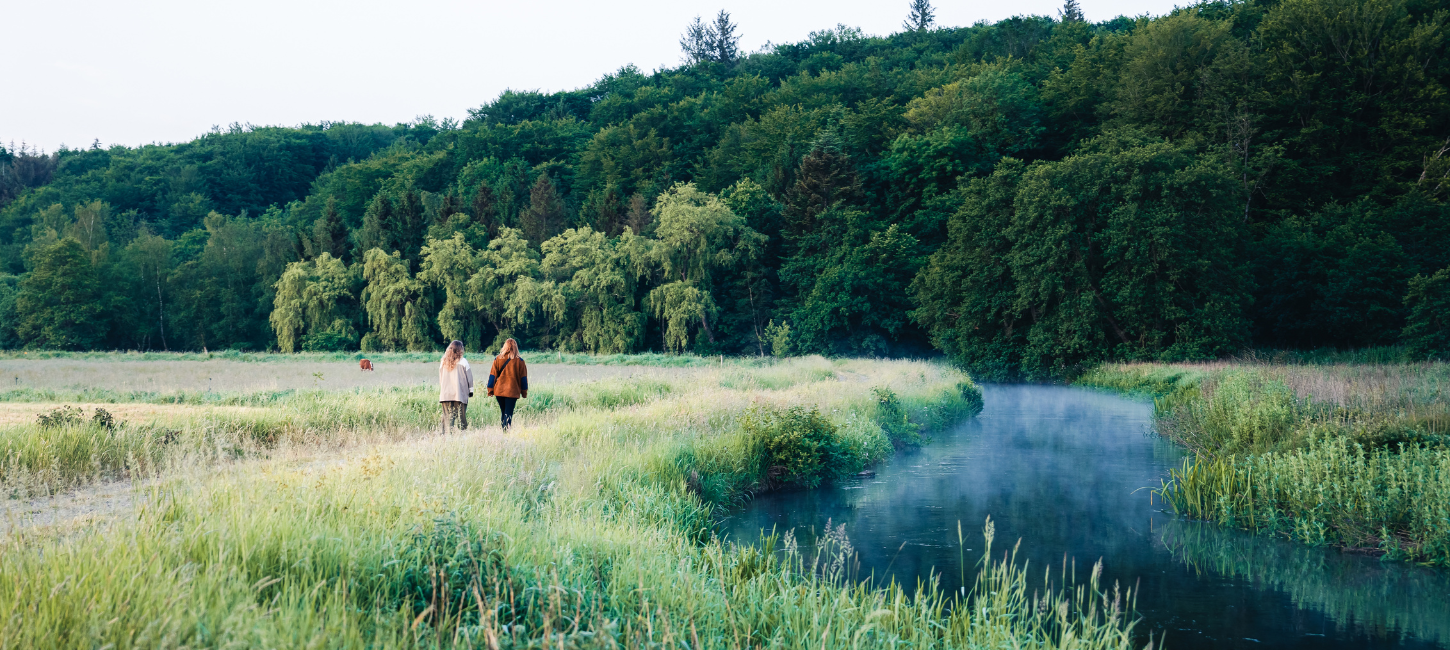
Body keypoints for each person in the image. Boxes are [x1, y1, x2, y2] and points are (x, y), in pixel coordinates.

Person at [487, 338, 528, 430]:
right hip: (512, 392)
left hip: (499, 392)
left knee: (504, 412)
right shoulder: (520, 362)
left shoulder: (497, 359)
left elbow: (492, 376)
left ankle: (504, 431)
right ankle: (506, 433)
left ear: (504, 347)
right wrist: (524, 393)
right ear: (516, 348)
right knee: (508, 413)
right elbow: (524, 379)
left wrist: (490, 390)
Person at [438, 340, 473, 434]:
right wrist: (471, 390)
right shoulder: (463, 361)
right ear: (460, 350)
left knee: (447, 417)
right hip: (460, 394)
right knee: (461, 417)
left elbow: (441, 379)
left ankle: (446, 436)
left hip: (445, 394)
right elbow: (469, 378)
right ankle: (462, 436)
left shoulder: (443, 362)